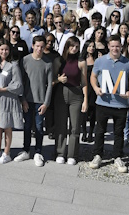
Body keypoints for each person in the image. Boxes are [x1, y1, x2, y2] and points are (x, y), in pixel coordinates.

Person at [88, 35, 129, 173]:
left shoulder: (128, 63)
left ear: (121, 47)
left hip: (121, 104)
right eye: (112, 46)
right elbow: (93, 76)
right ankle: (97, 155)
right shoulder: (100, 61)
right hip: (103, 102)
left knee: (118, 133)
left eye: (117, 46)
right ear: (108, 46)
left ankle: (117, 156)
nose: (115, 48)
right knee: (100, 130)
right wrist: (96, 88)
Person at [16, 36, 53, 166]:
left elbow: (49, 85)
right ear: (33, 46)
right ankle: (26, 150)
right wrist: (22, 99)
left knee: (38, 127)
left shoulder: (48, 63)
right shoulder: (25, 60)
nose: (39, 49)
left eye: (42, 46)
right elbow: (21, 82)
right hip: (27, 100)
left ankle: (38, 151)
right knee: (27, 126)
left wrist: (46, 103)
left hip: (40, 101)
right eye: (37, 46)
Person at [0, 41, 24, 164]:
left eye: (6, 49)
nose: (4, 52)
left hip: (7, 99)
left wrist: (3, 89)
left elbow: (18, 84)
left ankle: (6, 153)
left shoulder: (13, 65)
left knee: (7, 126)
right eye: (1, 49)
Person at [54, 37, 88, 165]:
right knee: (61, 125)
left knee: (75, 127)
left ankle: (72, 154)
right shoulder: (59, 60)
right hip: (61, 93)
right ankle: (60, 152)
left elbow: (84, 82)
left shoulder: (81, 62)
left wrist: (85, 100)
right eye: (72, 46)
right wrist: (58, 80)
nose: (74, 49)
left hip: (76, 94)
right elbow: (52, 79)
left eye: (76, 46)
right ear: (67, 46)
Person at [80, 40, 97, 142]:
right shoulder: (82, 59)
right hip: (85, 86)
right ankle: (84, 132)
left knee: (93, 111)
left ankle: (91, 132)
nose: (92, 48)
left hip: (94, 86)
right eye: (90, 46)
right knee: (83, 112)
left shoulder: (97, 59)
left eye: (93, 46)